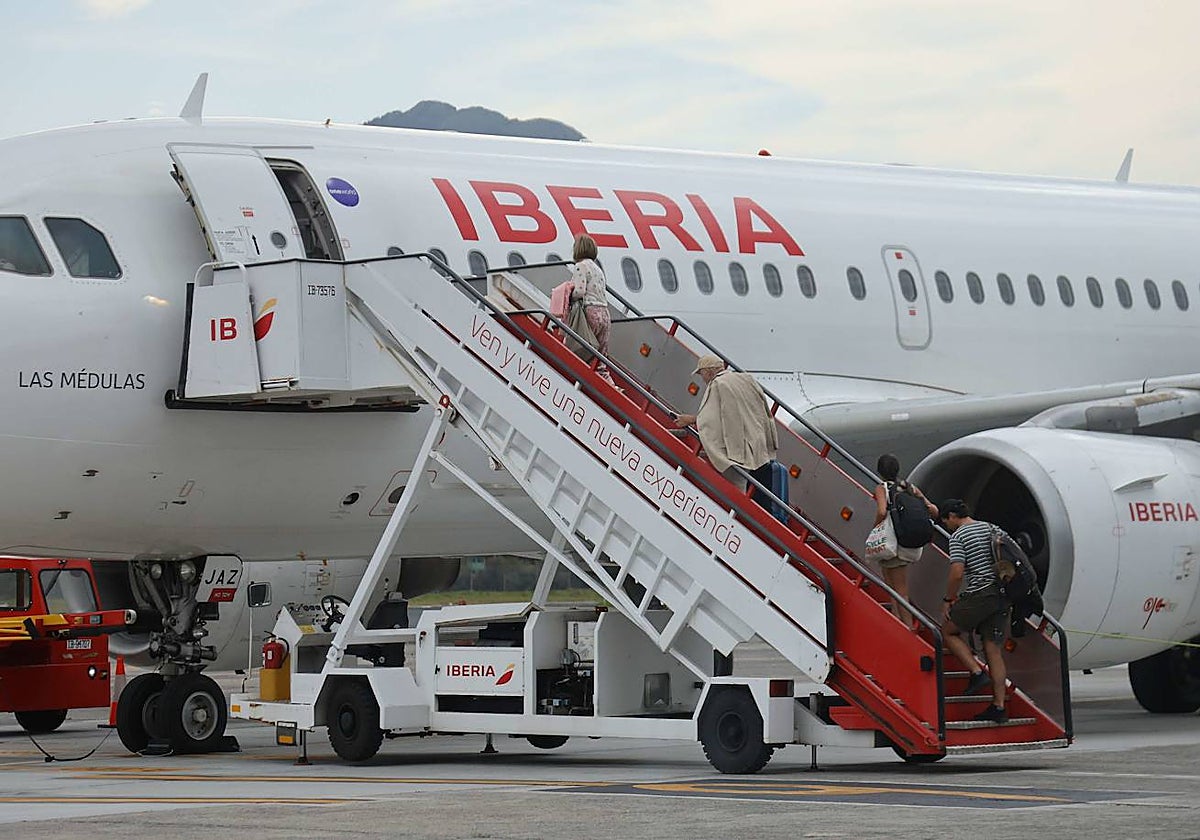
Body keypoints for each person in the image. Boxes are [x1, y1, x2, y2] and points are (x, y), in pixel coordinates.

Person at [938, 498, 1010, 722]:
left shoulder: (959, 536)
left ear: (952, 516)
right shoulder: (992, 528)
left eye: (946, 521)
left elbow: (957, 572)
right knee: (993, 649)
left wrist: (948, 598)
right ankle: (999, 707)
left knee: (948, 631)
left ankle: (977, 673)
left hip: (981, 593)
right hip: (1002, 594)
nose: (947, 526)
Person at [674, 354, 778, 507]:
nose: (702, 379)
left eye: (701, 374)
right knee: (754, 488)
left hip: (739, 449)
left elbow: (710, 419)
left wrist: (689, 419)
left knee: (736, 490)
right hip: (757, 443)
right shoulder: (745, 378)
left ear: (708, 371)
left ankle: (737, 516)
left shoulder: (718, 384)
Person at [872, 453, 937, 629]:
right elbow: (933, 509)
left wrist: (875, 528)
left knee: (899, 589)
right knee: (894, 585)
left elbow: (882, 511)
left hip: (892, 542)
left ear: (880, 471)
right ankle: (897, 620)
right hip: (906, 541)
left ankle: (908, 626)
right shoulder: (909, 487)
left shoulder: (882, 488)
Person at [568, 233, 613, 383]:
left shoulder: (580, 266)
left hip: (591, 312)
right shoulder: (598, 269)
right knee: (600, 361)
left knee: (584, 352)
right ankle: (611, 387)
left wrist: (569, 296)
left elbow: (580, 291)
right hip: (605, 314)